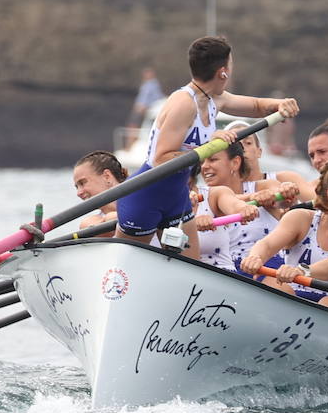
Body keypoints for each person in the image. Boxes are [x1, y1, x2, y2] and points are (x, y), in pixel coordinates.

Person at [115, 36, 299, 256]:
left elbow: (257, 106)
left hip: (177, 195)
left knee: (192, 268)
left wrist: (281, 104)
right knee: (125, 269)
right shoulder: (184, 103)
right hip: (148, 192)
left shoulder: (214, 98)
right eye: (230, 66)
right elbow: (161, 158)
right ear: (223, 72)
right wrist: (210, 145)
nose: (230, 72)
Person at [240, 162, 328, 315]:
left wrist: (301, 271)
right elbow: (266, 244)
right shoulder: (300, 218)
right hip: (293, 293)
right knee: (274, 285)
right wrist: (255, 257)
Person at [190, 141, 297, 272]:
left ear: (235, 163)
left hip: (263, 266)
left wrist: (283, 191)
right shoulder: (197, 197)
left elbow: (282, 199)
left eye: (212, 160)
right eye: (202, 162)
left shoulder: (262, 187)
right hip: (225, 270)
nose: (204, 167)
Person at [71, 151, 127, 230]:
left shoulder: (143, 202)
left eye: (83, 183)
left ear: (107, 177)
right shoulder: (90, 223)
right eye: (77, 187)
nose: (79, 193)